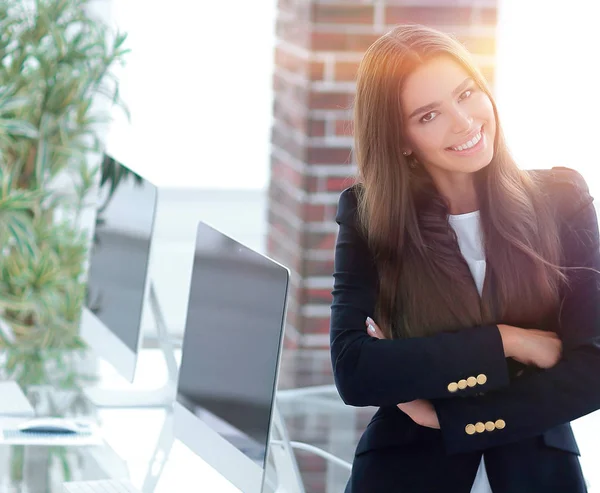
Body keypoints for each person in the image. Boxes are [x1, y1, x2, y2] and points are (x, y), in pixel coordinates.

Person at [330, 23, 600, 493]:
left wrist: (449, 416)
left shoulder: (562, 199)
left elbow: (594, 366)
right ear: (400, 139)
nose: (464, 121)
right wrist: (508, 341)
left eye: (467, 93)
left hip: (539, 475)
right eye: (429, 115)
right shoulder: (368, 215)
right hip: (403, 476)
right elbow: (355, 371)